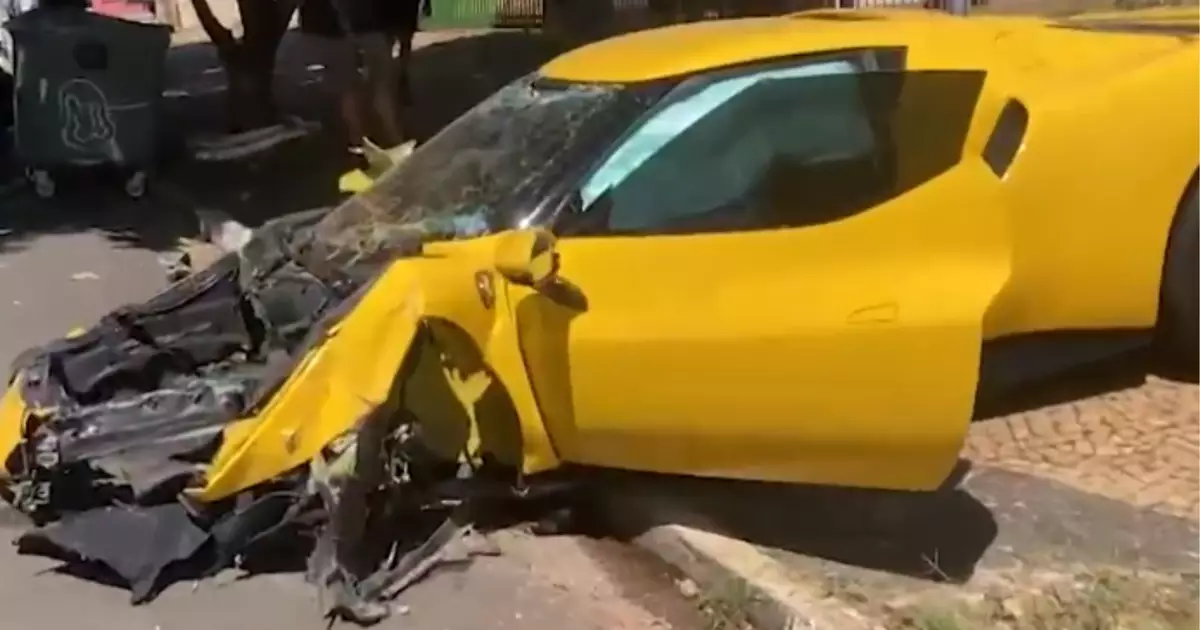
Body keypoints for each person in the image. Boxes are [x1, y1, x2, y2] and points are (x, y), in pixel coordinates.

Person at [298, 0, 404, 159]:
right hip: (368, 31)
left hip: (338, 36)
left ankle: (358, 143)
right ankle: (394, 140)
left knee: (349, 93)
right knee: (380, 90)